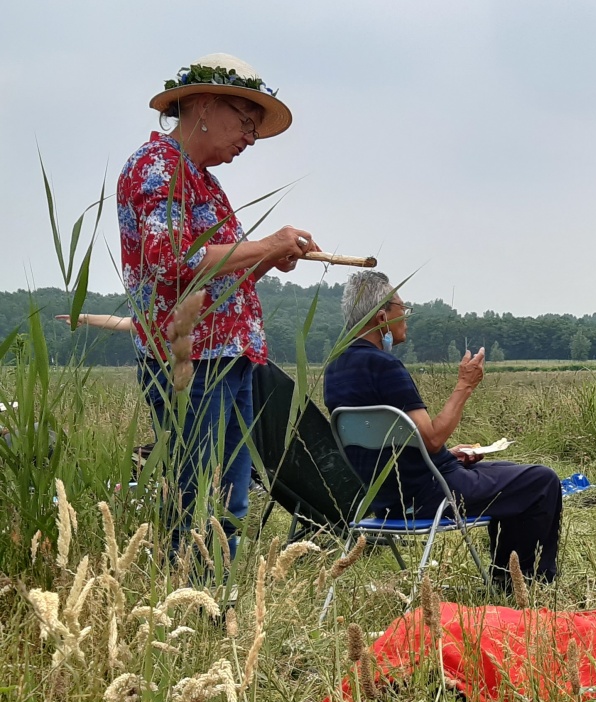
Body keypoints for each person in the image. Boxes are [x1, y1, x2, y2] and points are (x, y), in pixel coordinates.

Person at [118, 53, 318, 554]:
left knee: (228, 500)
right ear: (205, 104)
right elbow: (173, 259)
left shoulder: (203, 179)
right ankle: (189, 605)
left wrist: (270, 258)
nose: (249, 139)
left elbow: (218, 269)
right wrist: (267, 243)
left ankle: (216, 605)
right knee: (196, 498)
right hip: (192, 362)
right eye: (246, 123)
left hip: (226, 359)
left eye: (253, 129)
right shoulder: (156, 167)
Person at [325, 271, 562, 590]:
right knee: (541, 480)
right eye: (402, 310)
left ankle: (509, 580)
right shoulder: (385, 367)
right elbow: (433, 437)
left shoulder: (335, 369)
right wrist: (464, 385)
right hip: (430, 494)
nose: (405, 319)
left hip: (384, 498)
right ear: (382, 315)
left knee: (509, 472)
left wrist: (438, 455)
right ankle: (522, 585)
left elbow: (388, 443)